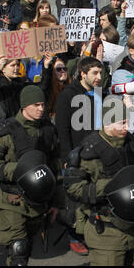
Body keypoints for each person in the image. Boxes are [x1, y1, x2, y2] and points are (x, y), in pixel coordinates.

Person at [64, 97, 134, 266]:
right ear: (108, 122)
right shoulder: (89, 150)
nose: (127, 127)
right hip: (106, 232)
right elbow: (73, 188)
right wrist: (110, 188)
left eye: (128, 122)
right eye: (122, 122)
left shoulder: (131, 144)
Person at [0, 85, 62, 266]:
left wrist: (57, 202)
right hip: (11, 198)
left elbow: (56, 167)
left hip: (38, 200)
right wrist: (21, 170)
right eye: (36, 105)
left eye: (43, 105)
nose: (41, 109)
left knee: (25, 249)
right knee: (18, 248)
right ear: (24, 105)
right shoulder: (6, 130)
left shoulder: (48, 131)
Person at [55, 57, 103, 256]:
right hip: (76, 154)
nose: (99, 77)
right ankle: (74, 235)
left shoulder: (99, 93)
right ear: (83, 74)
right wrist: (67, 157)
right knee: (75, 199)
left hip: (97, 154)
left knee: (93, 196)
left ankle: (90, 233)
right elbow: (62, 128)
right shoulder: (68, 95)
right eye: (94, 73)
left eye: (100, 73)